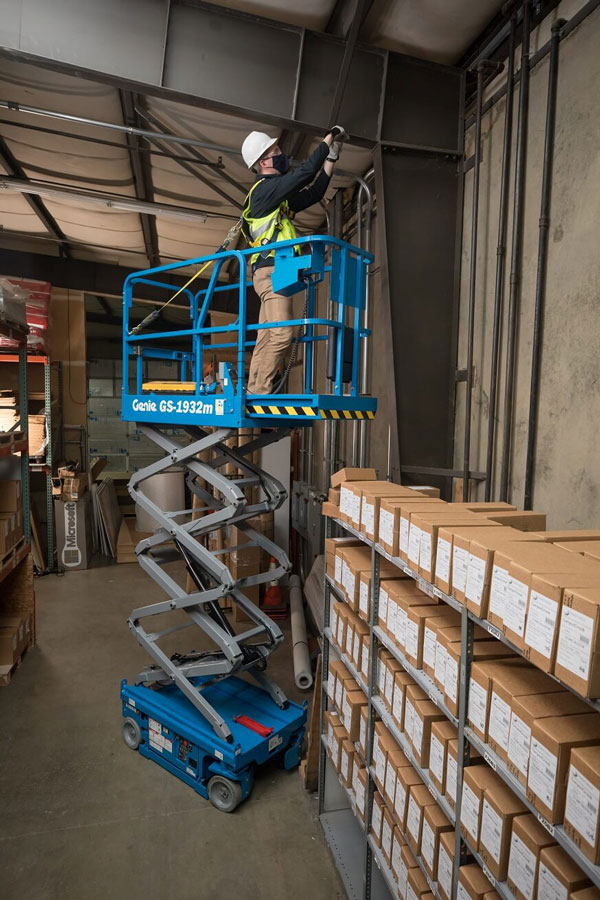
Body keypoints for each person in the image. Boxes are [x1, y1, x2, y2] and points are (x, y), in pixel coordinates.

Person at [240, 126, 347, 395]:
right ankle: (260, 392)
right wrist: (327, 140)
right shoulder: (264, 191)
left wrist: (331, 157)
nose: (282, 154)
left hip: (277, 270)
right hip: (271, 272)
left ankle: (253, 389)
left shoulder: (276, 199)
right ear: (263, 162)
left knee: (267, 334)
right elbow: (305, 174)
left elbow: (314, 193)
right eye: (275, 151)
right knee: (282, 334)